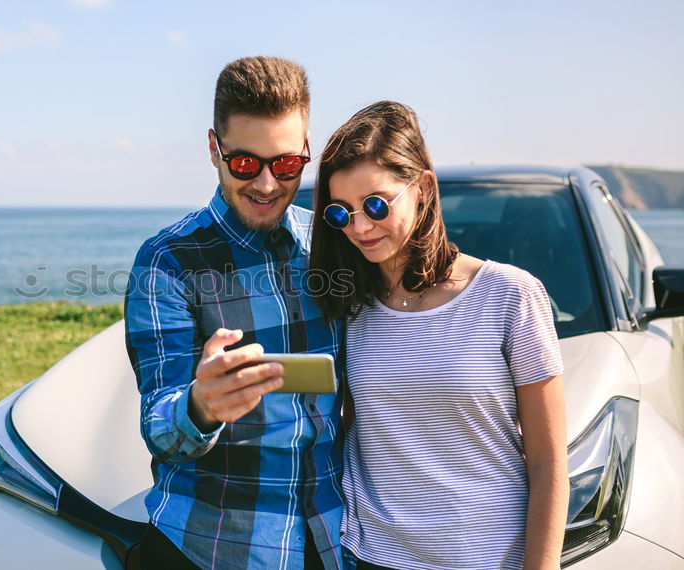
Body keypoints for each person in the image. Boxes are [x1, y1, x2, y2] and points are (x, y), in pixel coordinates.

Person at [308, 100, 569, 570]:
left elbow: (549, 465)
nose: (360, 227)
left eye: (375, 204)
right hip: (371, 557)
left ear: (423, 188)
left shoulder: (511, 296)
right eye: (341, 214)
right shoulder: (349, 308)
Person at [124, 56, 347, 569]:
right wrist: (200, 406)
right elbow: (160, 427)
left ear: (306, 151)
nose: (267, 184)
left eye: (287, 164)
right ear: (213, 148)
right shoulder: (167, 262)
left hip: (334, 541)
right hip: (212, 548)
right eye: (245, 162)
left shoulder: (333, 244)